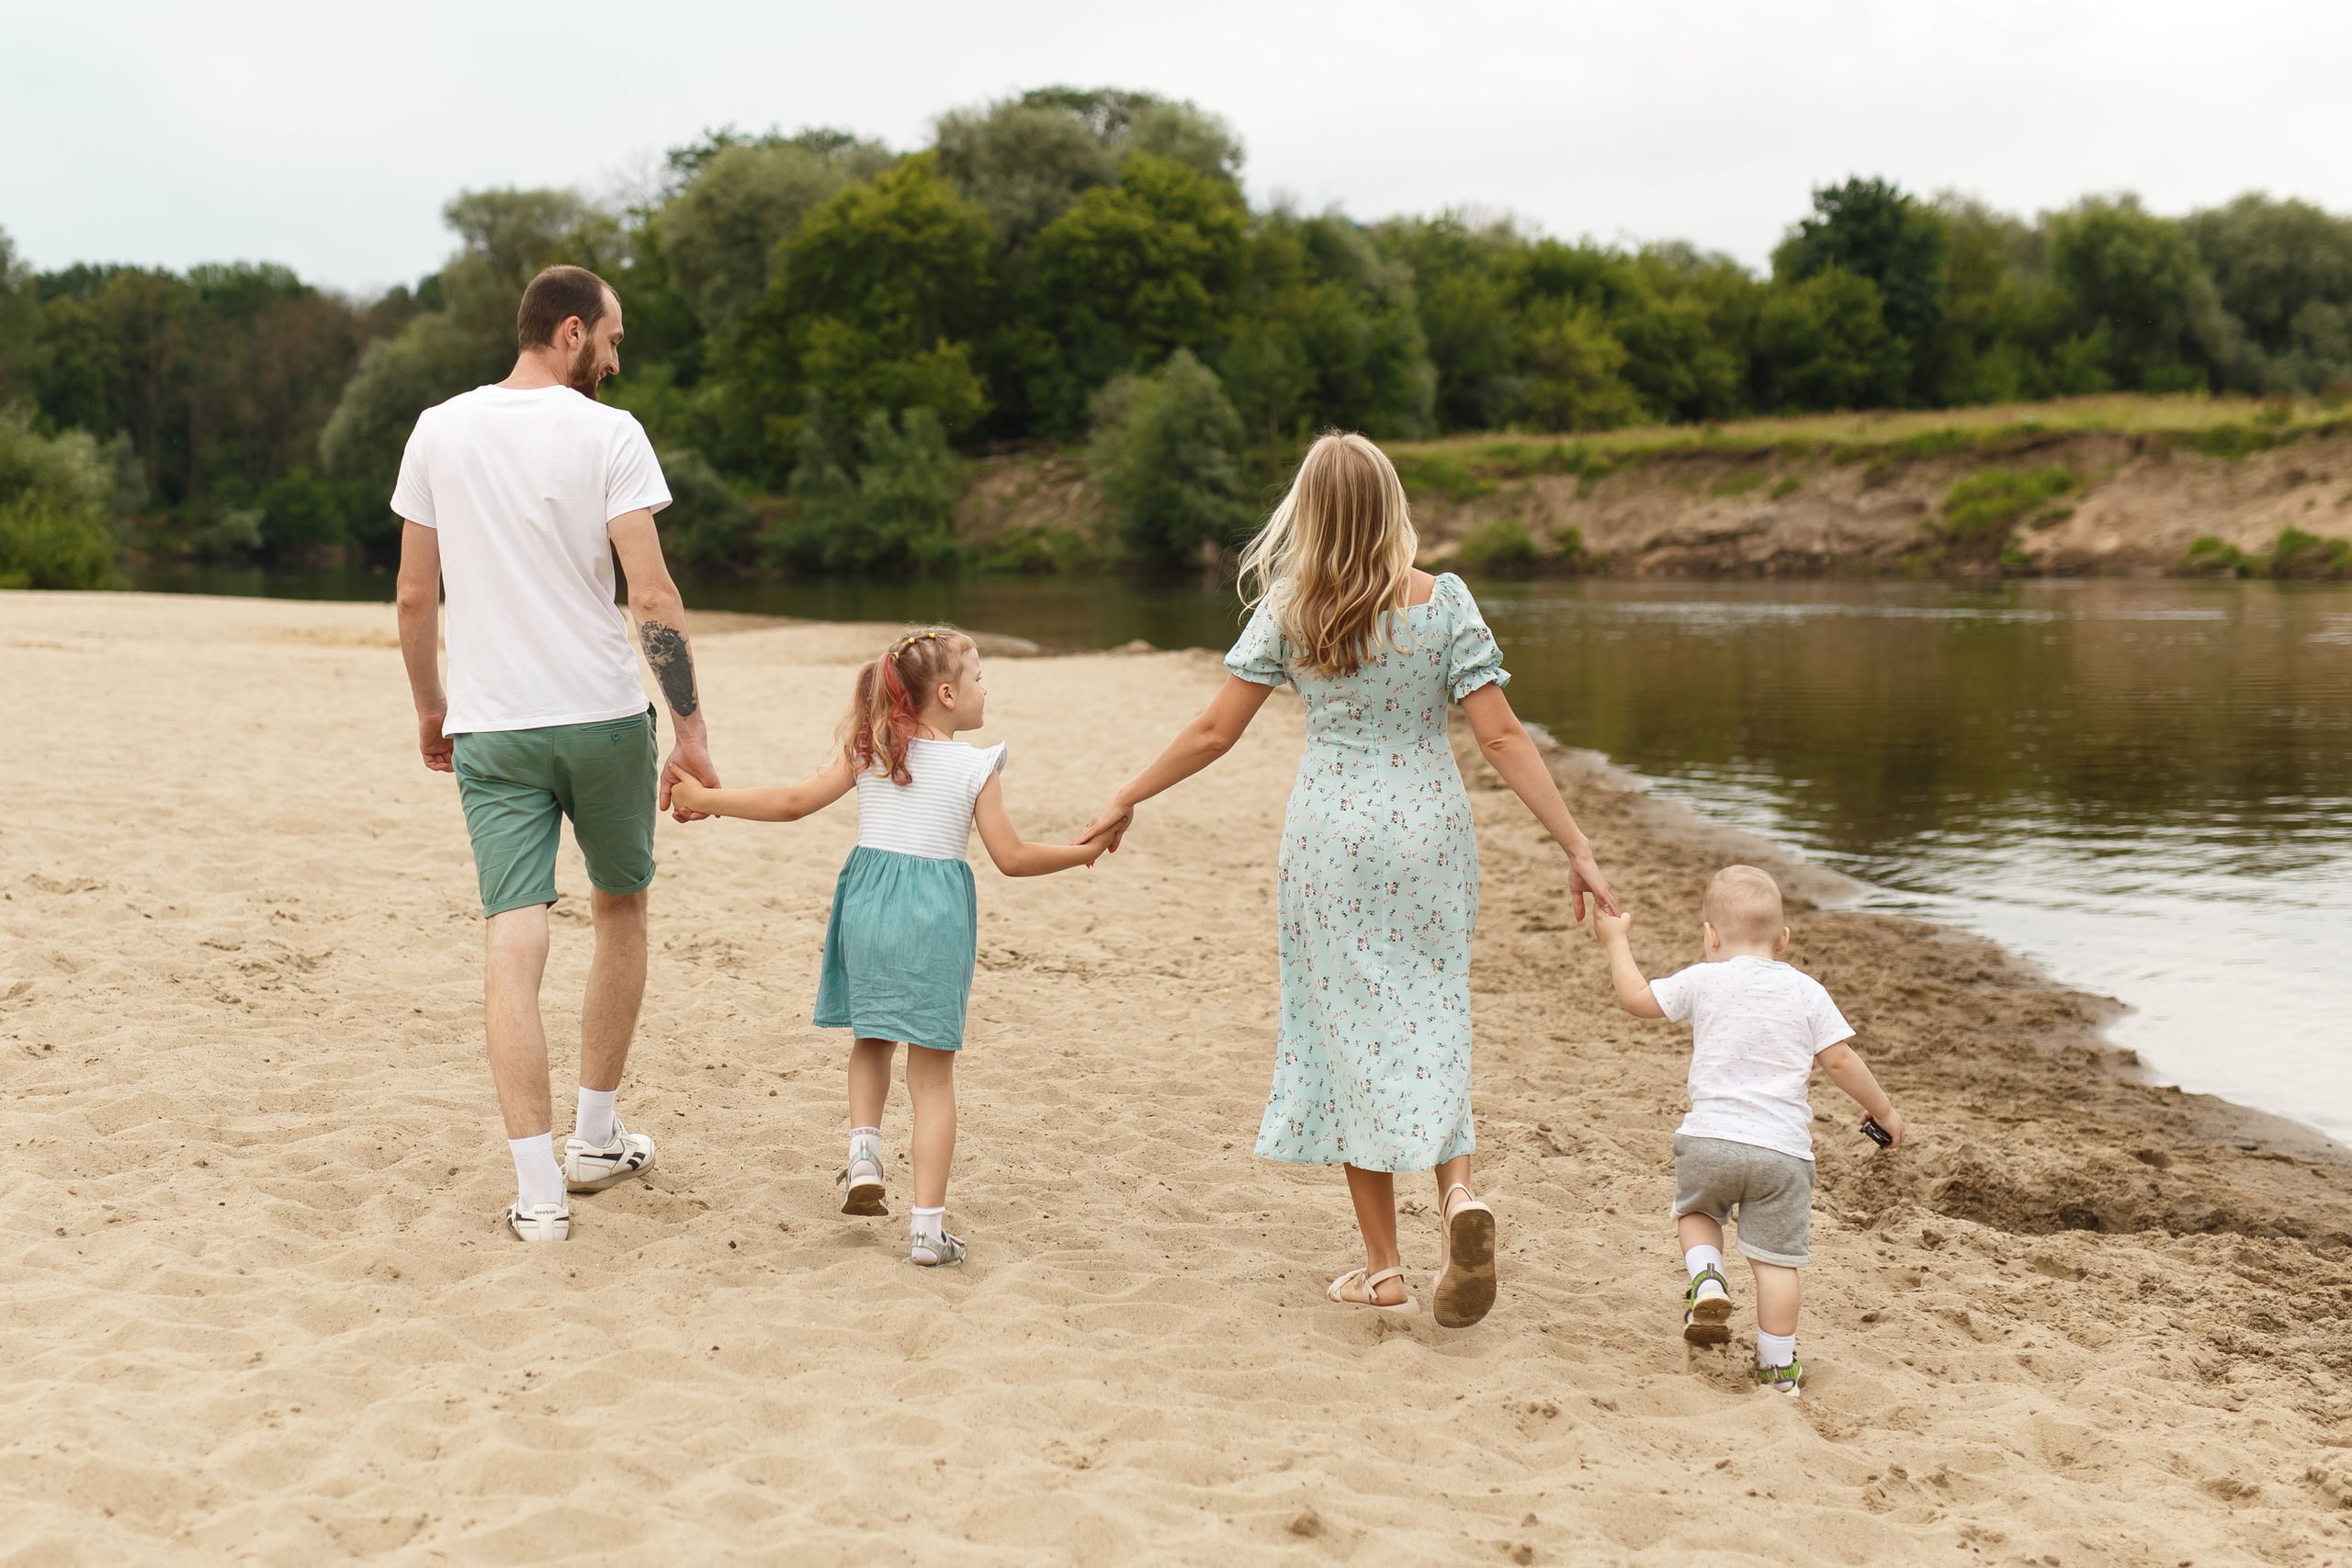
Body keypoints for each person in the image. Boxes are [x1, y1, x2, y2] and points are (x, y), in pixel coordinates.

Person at [1077, 433, 1619, 1327]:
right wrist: (1577, 847)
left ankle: (1385, 1271)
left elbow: (1215, 733)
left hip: (1333, 834)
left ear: (1312, 512)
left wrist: (1127, 794)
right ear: (1393, 507)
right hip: (1430, 830)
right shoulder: (1443, 601)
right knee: (1434, 1008)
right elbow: (1500, 737)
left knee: (1347, 1033)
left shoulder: (1293, 606)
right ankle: (1457, 1196)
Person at [392, 264, 718, 1245]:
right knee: (620, 908)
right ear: (570, 331)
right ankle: (594, 1135)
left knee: (512, 930)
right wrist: (692, 726)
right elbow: (651, 596)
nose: (615, 361)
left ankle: (538, 1193)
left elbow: (415, 597)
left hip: (492, 727)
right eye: (611, 340)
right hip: (602, 717)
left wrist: (431, 709)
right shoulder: (610, 434)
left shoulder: (437, 428)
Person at [666, 626, 1108, 1266]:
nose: (988, 688)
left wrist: (705, 797)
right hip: (935, 917)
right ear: (950, 694)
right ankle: (927, 1231)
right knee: (931, 1075)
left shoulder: (871, 751)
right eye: (980, 678)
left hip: (869, 906)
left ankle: (864, 1152)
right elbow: (1010, 858)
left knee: (870, 1037)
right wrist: (1083, 852)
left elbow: (791, 803)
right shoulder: (974, 765)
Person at [1589, 864, 1907, 1394]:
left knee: (1696, 1212)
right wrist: (1886, 1112)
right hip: (1783, 1155)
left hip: (1710, 1140)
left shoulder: (1703, 978)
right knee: (1776, 1264)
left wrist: (1617, 940)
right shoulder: (1807, 991)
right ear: (1784, 940)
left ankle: (1707, 1276)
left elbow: (1638, 999)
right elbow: (1840, 1061)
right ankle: (1779, 1367)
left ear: (1711, 935)